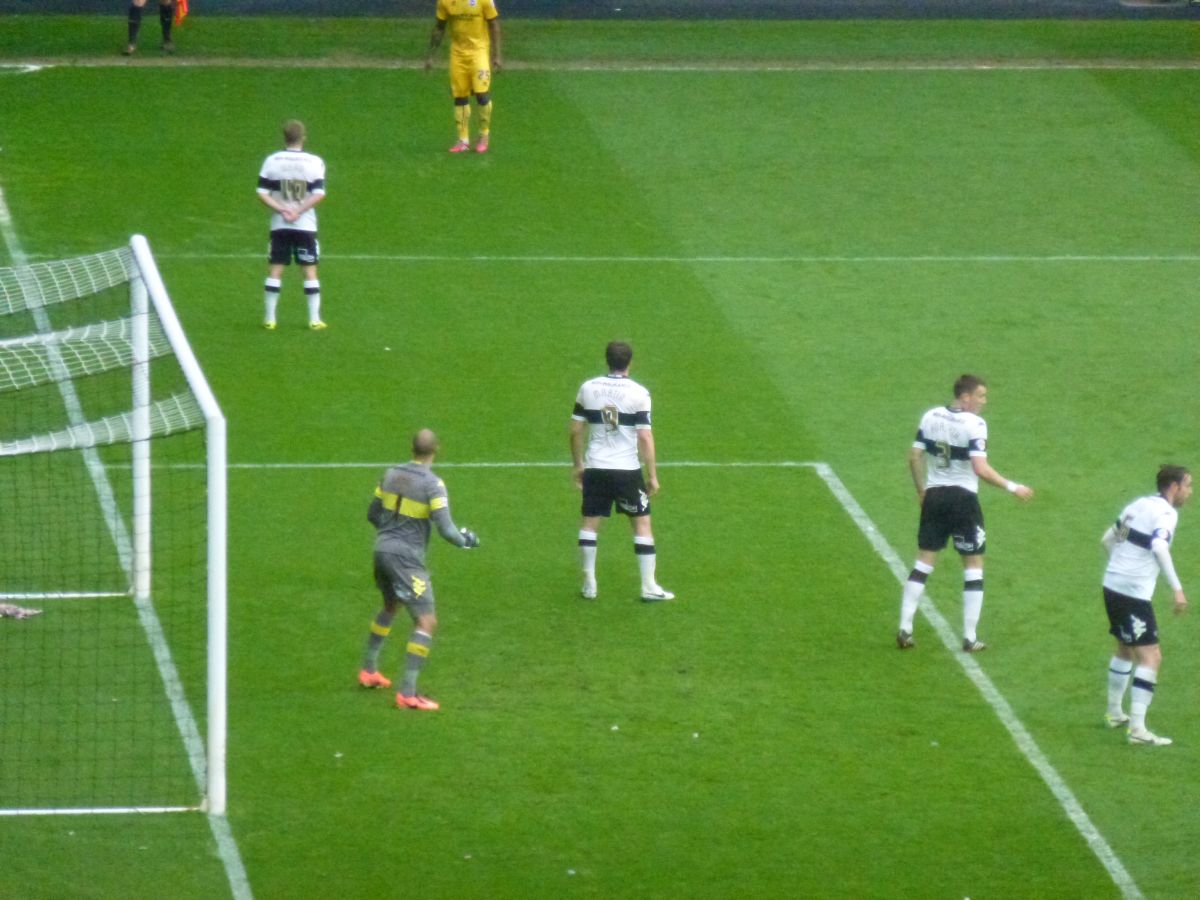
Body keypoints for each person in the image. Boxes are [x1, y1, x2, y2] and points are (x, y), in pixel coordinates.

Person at [896, 374, 1034, 651]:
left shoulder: (931, 416)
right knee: (973, 565)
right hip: (962, 499)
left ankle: (905, 627)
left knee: (924, 562)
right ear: (966, 396)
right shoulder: (975, 424)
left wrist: (921, 491)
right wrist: (1013, 487)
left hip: (934, 496)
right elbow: (980, 469)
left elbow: (913, 457)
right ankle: (970, 637)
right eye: (981, 396)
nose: (984, 402)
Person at [358, 429, 479, 711]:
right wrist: (466, 542)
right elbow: (447, 530)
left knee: (390, 605)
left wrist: (390, 534)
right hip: (406, 559)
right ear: (436, 449)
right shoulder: (433, 485)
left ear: (412, 448)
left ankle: (369, 670)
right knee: (426, 622)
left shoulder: (389, 475)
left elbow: (372, 514)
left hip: (381, 550)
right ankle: (408, 693)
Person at [570, 341, 673, 603]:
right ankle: (649, 586)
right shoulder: (639, 393)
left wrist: (578, 465)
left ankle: (589, 583)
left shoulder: (588, 388)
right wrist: (652, 475)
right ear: (630, 362)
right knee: (641, 523)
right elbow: (645, 437)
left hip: (596, 468)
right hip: (626, 471)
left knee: (590, 523)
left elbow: (575, 430)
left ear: (607, 360)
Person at [1100, 465, 1191, 746]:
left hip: (1112, 585)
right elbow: (1159, 547)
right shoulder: (1166, 513)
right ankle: (1138, 730)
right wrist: (1177, 588)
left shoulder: (1138, 505)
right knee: (1151, 656)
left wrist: (1120, 566)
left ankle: (1115, 713)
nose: (1190, 492)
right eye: (1188, 485)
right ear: (1173, 487)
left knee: (1125, 648)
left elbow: (1107, 538)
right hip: (1132, 592)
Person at [255, 120, 327, 331]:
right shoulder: (314, 162)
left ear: (284, 137)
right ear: (303, 137)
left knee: (275, 269)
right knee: (309, 271)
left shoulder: (272, 161)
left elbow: (261, 192)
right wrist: (298, 210)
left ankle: (270, 319)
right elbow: (319, 193)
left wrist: (282, 209)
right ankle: (314, 319)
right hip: (305, 225)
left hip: (280, 224)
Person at [424, 0, 502, 154]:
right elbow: (439, 27)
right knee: (460, 96)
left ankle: (483, 135)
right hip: (457, 54)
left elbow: (494, 25)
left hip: (478, 51)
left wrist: (497, 55)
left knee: (482, 93)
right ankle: (463, 140)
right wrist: (431, 56)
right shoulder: (445, 2)